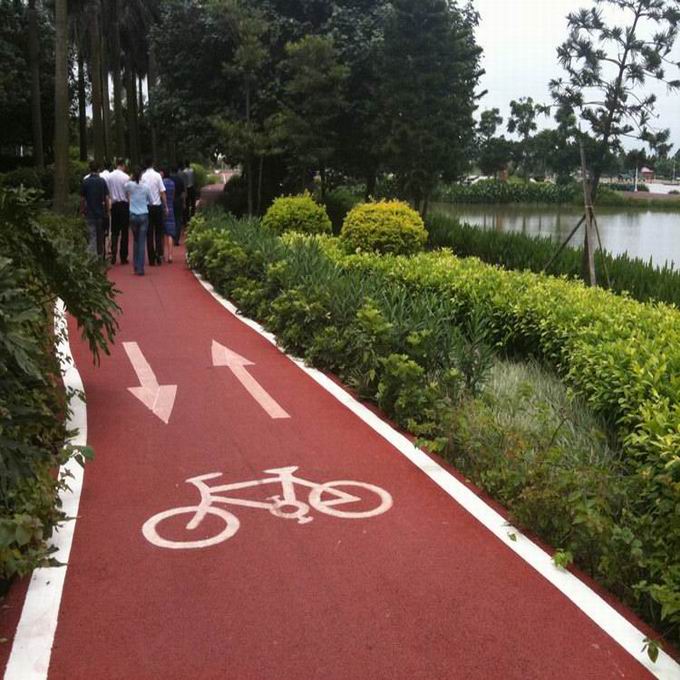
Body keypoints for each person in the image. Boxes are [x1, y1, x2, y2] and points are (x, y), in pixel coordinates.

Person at [125, 167, 153, 275]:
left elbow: (125, 190)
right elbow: (150, 200)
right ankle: (140, 268)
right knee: (142, 242)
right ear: (141, 176)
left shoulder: (130, 185)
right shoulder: (146, 187)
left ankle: (135, 266)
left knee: (135, 241)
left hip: (132, 215)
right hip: (143, 215)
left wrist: (130, 179)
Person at [80, 161, 110, 260]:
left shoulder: (85, 182)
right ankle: (99, 256)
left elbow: (82, 199)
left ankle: (91, 258)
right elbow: (106, 198)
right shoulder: (102, 181)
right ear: (98, 170)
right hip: (100, 213)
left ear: (89, 169)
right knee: (100, 236)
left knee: (92, 236)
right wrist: (107, 211)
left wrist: (82, 210)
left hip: (89, 213)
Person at [141, 158, 167, 265]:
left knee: (149, 233)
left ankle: (151, 258)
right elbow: (162, 192)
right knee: (159, 232)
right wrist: (165, 206)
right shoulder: (157, 176)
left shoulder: (142, 176)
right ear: (153, 163)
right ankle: (159, 254)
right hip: (157, 206)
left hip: (146, 207)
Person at [107, 159, 130, 264]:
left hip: (114, 204)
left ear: (116, 164)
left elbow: (107, 191)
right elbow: (128, 193)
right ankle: (123, 256)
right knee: (125, 232)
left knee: (114, 231)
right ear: (123, 165)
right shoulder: (126, 177)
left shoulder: (110, 177)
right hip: (124, 205)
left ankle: (113, 253)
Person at [161, 169, 176, 263]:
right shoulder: (172, 183)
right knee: (170, 234)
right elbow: (173, 196)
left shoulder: (161, 183)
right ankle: (170, 255)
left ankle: (162, 254)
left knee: (162, 233)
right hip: (171, 208)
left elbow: (161, 195)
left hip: (162, 208)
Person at [169, 166, 186, 245]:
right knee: (178, 219)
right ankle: (176, 239)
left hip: (171, 200)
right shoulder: (180, 180)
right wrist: (184, 202)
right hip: (178, 200)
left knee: (171, 219)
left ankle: (171, 236)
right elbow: (183, 193)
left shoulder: (169, 180)